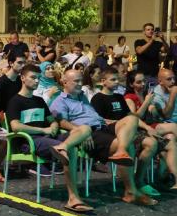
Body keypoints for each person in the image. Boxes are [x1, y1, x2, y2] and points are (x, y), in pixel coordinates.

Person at [50, 70, 155, 206]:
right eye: (76, 81)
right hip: (90, 132)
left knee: (131, 119)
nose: (80, 84)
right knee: (128, 144)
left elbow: (96, 117)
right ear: (64, 82)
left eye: (81, 81)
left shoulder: (82, 96)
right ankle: (131, 190)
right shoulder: (59, 101)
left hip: (103, 126)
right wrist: (79, 131)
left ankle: (121, 152)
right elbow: (62, 123)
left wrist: (113, 123)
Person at [6, 65, 92, 211]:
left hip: (48, 137)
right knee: (69, 148)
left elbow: (52, 120)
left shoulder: (39, 100)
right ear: (22, 78)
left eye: (38, 78)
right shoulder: (15, 101)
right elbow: (15, 126)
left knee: (84, 129)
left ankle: (64, 148)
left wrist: (53, 126)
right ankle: (73, 197)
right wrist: (43, 129)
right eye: (33, 77)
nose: (37, 81)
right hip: (29, 142)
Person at [92, 68, 167, 198]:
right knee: (133, 138)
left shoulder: (119, 97)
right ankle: (131, 184)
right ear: (103, 81)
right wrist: (122, 123)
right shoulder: (97, 99)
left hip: (129, 128)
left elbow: (132, 116)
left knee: (152, 143)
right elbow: (100, 120)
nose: (117, 82)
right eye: (113, 79)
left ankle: (139, 179)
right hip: (112, 132)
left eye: (118, 79)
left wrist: (147, 128)